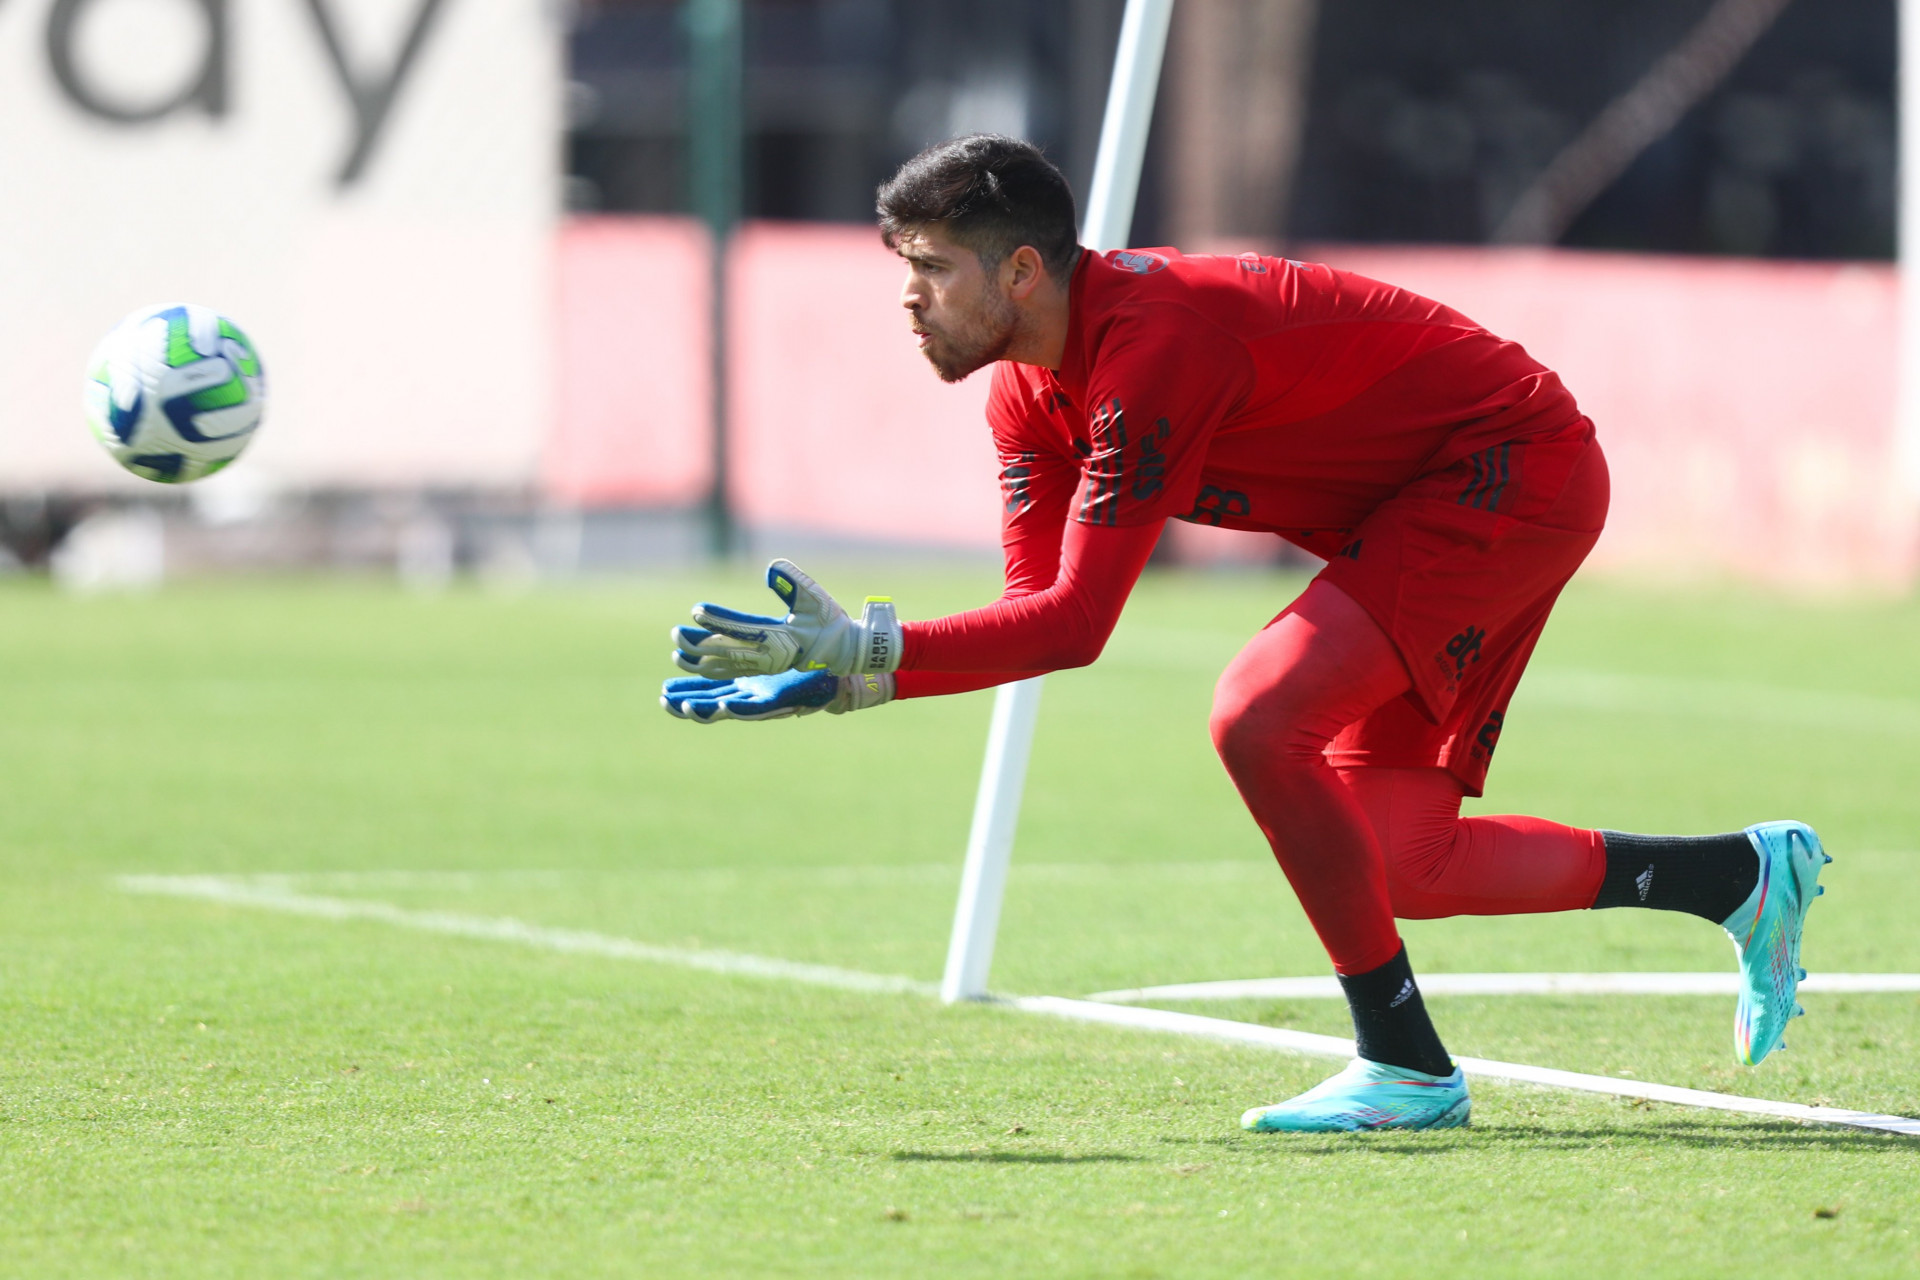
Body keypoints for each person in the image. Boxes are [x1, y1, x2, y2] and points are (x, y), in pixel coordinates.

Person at [659, 134, 1830, 1133]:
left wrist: (871, 650)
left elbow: (1075, 626)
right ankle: (1738, 874)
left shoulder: (1154, 346)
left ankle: (1406, 1064)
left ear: (1021, 270)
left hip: (1509, 469)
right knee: (1397, 862)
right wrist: (862, 676)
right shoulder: (1025, 391)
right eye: (902, 269)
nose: (909, 298)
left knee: (1259, 713)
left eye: (932, 268)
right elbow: (1038, 620)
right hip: (1420, 505)